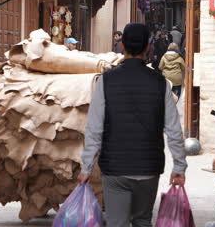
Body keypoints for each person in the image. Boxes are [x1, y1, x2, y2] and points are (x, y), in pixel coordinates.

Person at [78, 23, 187, 227]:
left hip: (115, 168)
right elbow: (173, 129)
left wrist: (87, 167)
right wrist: (179, 166)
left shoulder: (106, 81)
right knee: (142, 221)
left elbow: (94, 127)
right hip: (148, 167)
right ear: (148, 47)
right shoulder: (160, 82)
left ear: (122, 47)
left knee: (117, 223)